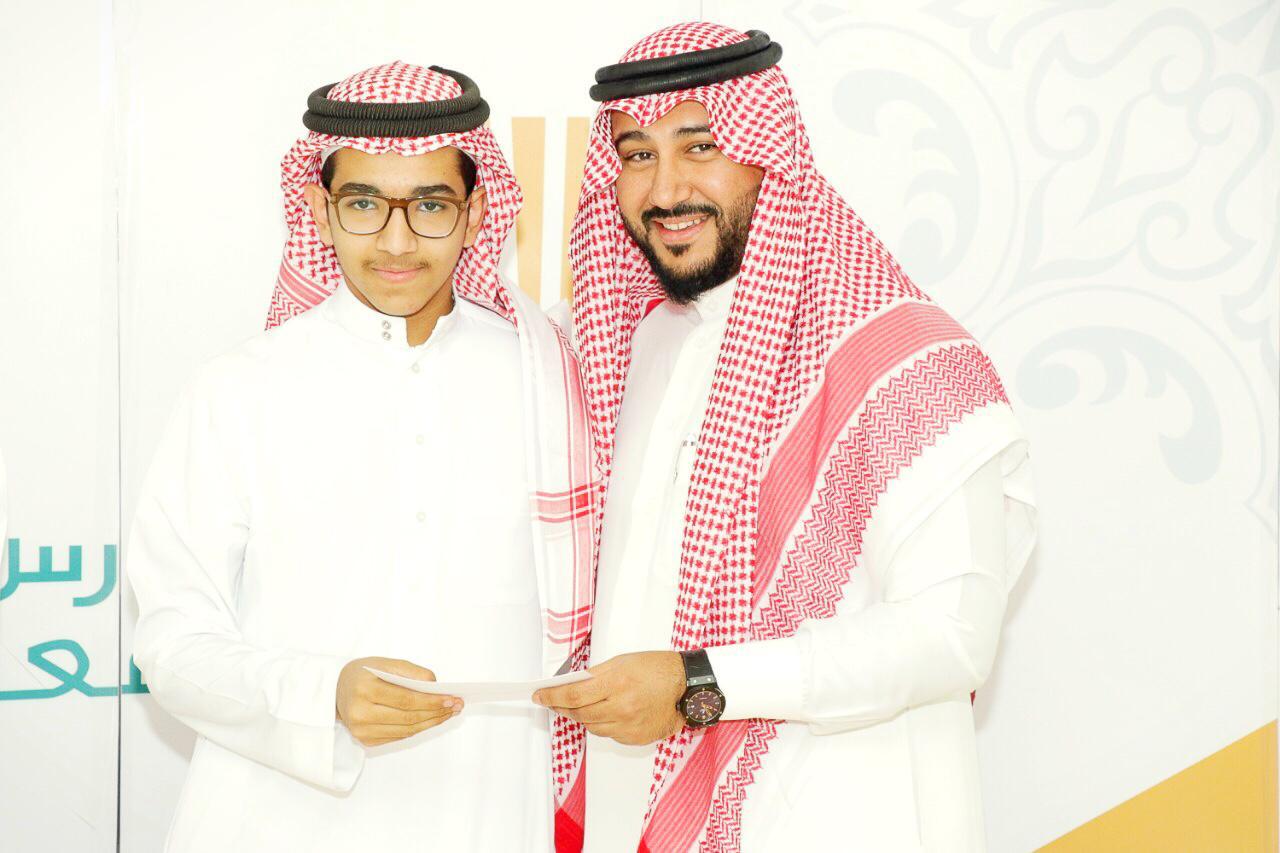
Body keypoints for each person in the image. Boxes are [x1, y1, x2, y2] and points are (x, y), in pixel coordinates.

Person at [535, 23, 1037, 852]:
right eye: (636, 154)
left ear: (768, 152)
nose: (665, 189)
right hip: (637, 811)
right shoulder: (627, 346)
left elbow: (951, 633)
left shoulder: (907, 361)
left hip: (841, 815)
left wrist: (699, 683)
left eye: (700, 146)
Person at [127, 61, 595, 852]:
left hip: (482, 815)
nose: (396, 241)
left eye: (432, 205)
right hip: (272, 819)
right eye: (364, 203)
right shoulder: (239, 387)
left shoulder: (551, 380)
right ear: (320, 210)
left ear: (478, 213)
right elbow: (170, 640)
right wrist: (321, 696)